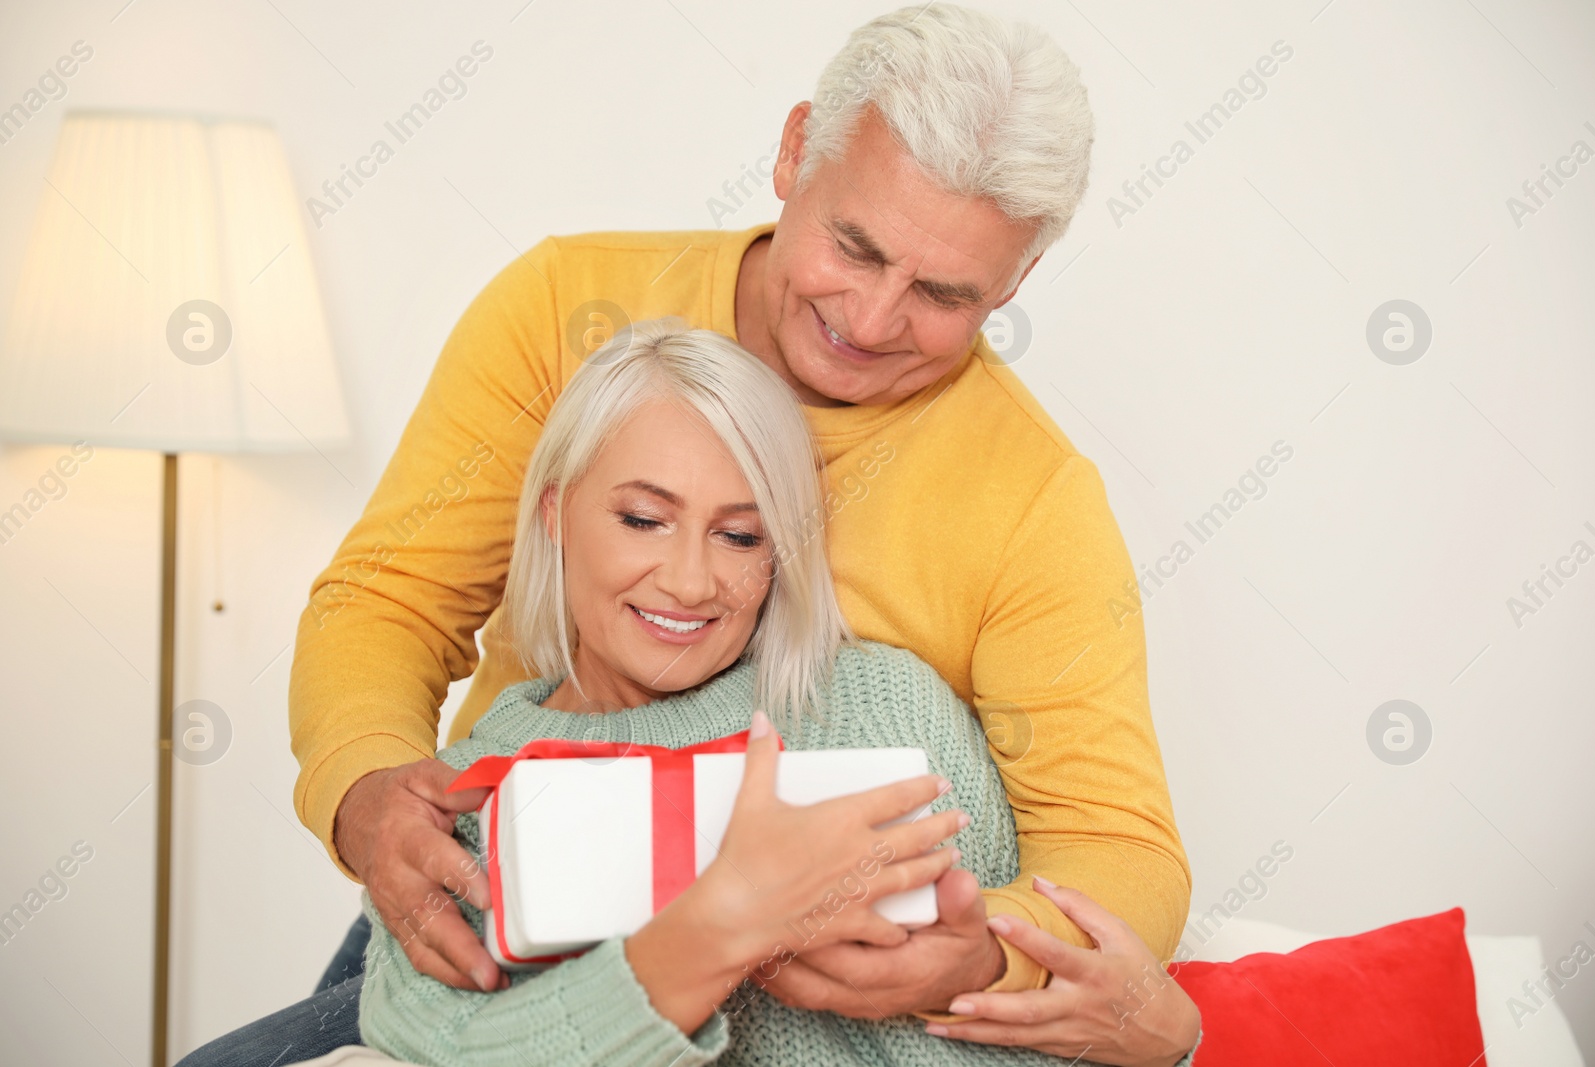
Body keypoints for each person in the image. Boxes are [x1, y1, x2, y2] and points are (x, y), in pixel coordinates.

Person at [259, 2, 1189, 1059]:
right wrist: (368, 793)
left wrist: (987, 957)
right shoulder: (563, 305)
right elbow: (389, 599)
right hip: (499, 916)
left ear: (1013, 284)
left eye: (941, 293)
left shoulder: (1032, 496)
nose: (872, 319)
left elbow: (1117, 846)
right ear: (795, 150)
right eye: (854, 244)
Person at [348, 321, 1203, 1065]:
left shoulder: (876, 704)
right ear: (552, 512)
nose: (690, 581)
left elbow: (1087, 1012)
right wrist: (714, 931)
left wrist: (1017, 979)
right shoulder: (457, 799)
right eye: (642, 519)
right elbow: (445, 1052)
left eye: (739, 534)